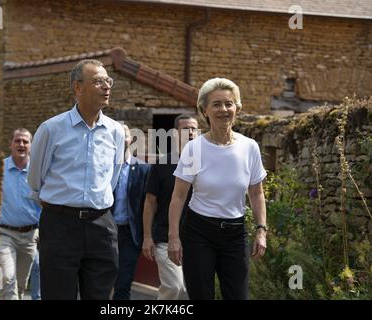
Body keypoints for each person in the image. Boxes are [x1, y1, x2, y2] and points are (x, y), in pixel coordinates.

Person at [28, 59, 125, 300]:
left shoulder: (115, 132)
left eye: (108, 81)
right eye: (98, 81)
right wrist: (62, 209)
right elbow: (34, 180)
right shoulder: (51, 129)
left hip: (101, 226)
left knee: (101, 297)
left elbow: (112, 179)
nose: (106, 87)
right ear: (77, 88)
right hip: (60, 225)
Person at [168, 78, 268, 300]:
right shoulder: (194, 149)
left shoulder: (249, 147)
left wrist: (261, 230)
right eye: (216, 104)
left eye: (229, 103)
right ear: (204, 110)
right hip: (199, 232)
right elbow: (179, 196)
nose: (224, 109)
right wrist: (173, 237)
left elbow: (256, 192)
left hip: (235, 233)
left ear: (237, 108)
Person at [0, 128, 41, 300]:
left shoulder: (38, 170)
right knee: (6, 279)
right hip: (3, 234)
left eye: (25, 141)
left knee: (18, 286)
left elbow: (46, 203)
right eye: (17, 140)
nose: (21, 144)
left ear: (31, 146)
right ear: (10, 144)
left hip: (30, 236)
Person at [142, 114, 198, 300]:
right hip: (165, 238)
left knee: (193, 291)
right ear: (175, 134)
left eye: (194, 129)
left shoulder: (207, 163)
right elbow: (150, 203)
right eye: (185, 129)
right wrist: (147, 237)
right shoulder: (161, 164)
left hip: (199, 240)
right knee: (175, 286)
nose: (191, 133)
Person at [112, 124, 150, 300]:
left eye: (124, 135)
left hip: (129, 233)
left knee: (124, 281)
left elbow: (149, 204)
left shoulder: (143, 169)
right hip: (105, 232)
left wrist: (148, 236)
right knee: (100, 281)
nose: (121, 138)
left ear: (131, 139)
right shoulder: (103, 168)